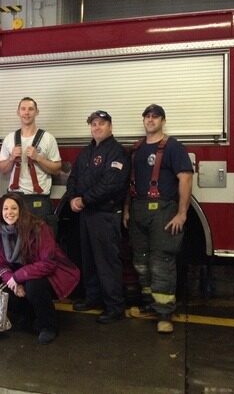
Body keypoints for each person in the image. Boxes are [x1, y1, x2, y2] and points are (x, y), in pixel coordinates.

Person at [123, 104, 193, 334]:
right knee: (141, 261)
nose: (151, 120)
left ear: (163, 120)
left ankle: (165, 315)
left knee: (161, 262)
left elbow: (185, 179)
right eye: (147, 116)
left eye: (155, 117)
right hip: (138, 210)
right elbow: (129, 183)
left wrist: (182, 213)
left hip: (163, 210)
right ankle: (149, 306)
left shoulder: (173, 147)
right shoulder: (137, 149)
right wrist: (126, 210)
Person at [65, 110, 130, 324]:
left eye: (101, 123)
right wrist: (73, 197)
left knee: (107, 262)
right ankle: (93, 298)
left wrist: (84, 200)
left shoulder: (117, 152)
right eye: (93, 124)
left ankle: (114, 307)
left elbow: (111, 184)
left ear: (110, 126)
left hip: (105, 215)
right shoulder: (86, 152)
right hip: (87, 215)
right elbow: (73, 177)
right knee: (89, 259)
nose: (97, 127)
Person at [0, 192, 80, 344]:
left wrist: (18, 277)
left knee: (34, 287)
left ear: (21, 210)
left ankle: (48, 326)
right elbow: (1, 265)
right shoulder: (1, 232)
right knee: (4, 291)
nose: (9, 213)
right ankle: (29, 316)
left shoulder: (39, 228)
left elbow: (48, 263)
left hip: (49, 275)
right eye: (5, 209)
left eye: (14, 208)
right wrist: (12, 281)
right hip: (21, 275)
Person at [0, 97, 61, 219]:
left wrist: (38, 158)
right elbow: (3, 170)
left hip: (39, 199)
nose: (26, 112)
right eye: (23, 109)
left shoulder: (48, 138)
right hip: (15, 198)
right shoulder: (9, 138)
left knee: (40, 237)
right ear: (18, 112)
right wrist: (11, 158)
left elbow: (57, 169)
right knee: (16, 237)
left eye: (31, 109)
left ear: (37, 112)